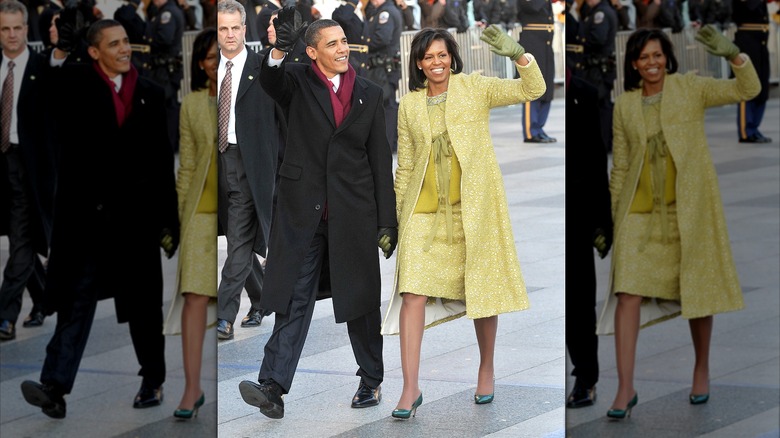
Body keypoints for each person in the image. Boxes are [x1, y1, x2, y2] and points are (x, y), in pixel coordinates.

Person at [237, 8, 397, 419]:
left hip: (353, 215)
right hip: (302, 216)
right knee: (293, 299)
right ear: (312, 52)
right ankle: (272, 387)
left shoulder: (370, 93)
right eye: (332, 44)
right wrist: (278, 48)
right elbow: (270, 79)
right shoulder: (296, 81)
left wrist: (387, 221)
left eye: (344, 41)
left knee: (361, 303)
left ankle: (371, 379)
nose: (343, 49)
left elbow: (380, 161)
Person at [595, 26, 759, 420]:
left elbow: (748, 89)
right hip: (638, 215)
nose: (652, 63)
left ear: (667, 58)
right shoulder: (625, 105)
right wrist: (611, 219)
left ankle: (701, 369)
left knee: (698, 291)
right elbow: (620, 167)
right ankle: (625, 387)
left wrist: (733, 54)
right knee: (627, 293)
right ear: (634, 65)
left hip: (689, 211)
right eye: (644, 57)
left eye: (658, 55)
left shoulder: (691, 88)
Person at [381, 26, 544, 419]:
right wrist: (393, 220)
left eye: (442, 55)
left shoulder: (475, 87)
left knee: (482, 289)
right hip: (423, 213)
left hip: (474, 209)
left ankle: (486, 368)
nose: (437, 62)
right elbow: (405, 166)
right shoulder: (409, 105)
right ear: (418, 64)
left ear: (452, 57)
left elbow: (533, 89)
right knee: (412, 292)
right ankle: (410, 387)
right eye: (428, 57)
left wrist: (518, 55)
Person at [19, 18, 179, 419]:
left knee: (143, 308)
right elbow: (43, 95)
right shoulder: (75, 86)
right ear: (94, 52)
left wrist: (168, 221)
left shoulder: (150, 92)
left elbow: (162, 163)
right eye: (113, 44)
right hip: (86, 223)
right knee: (75, 303)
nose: (124, 49)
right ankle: (54, 388)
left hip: (135, 224)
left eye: (125, 41)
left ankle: (152, 379)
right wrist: (60, 51)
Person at [160, 27, 218, 420]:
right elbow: (188, 165)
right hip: (200, 211)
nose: (217, 63)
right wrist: (179, 219)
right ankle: (191, 388)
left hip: (240, 210)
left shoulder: (246, 93)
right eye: (211, 57)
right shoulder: (192, 103)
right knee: (194, 296)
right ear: (200, 63)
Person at [215, 0, 280, 341]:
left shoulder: (262, 67)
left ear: (244, 29)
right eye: (222, 28)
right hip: (216, 163)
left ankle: (223, 316)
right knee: (235, 234)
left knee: (239, 236)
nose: (229, 34)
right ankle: (260, 297)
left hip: (248, 163)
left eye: (235, 27)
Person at [0, 0, 53, 341]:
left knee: (21, 236)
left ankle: (5, 316)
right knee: (20, 236)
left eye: (17, 27)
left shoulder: (42, 68)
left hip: (26, 166)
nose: (12, 35)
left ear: (25, 27)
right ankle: (44, 296)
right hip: (0, 163)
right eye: (5, 29)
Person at [564, 67, 613, 408]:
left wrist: (602, 222)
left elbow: (598, 160)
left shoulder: (586, 92)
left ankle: (585, 377)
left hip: (577, 213)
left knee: (579, 299)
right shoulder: (531, 89)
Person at [574, 0, 617, 153]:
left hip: (598, 69)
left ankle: (602, 143)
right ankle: (605, 142)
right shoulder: (598, 11)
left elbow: (598, 38)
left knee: (600, 107)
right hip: (599, 68)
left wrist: (581, 43)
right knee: (602, 105)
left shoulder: (601, 13)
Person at [145, 0, 184, 153]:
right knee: (168, 106)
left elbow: (165, 38)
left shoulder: (167, 13)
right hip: (166, 69)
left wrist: (149, 40)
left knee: (167, 107)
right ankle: (170, 144)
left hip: (164, 70)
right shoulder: (168, 10)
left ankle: (169, 144)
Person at [361, 0, 401, 152]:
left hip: (384, 68)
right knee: (387, 104)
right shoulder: (382, 11)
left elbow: (382, 38)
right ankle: (390, 143)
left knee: (386, 105)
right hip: (384, 68)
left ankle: (387, 145)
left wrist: (363, 44)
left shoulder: (385, 13)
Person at [517, 0, 557, 143]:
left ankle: (539, 128)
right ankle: (531, 131)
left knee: (547, 87)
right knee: (532, 86)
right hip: (532, 45)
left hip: (546, 46)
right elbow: (531, 7)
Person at [732, 0, 772, 143]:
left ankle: (754, 127)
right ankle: (746, 131)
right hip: (747, 43)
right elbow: (749, 6)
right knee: (748, 85)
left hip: (761, 43)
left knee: (762, 86)